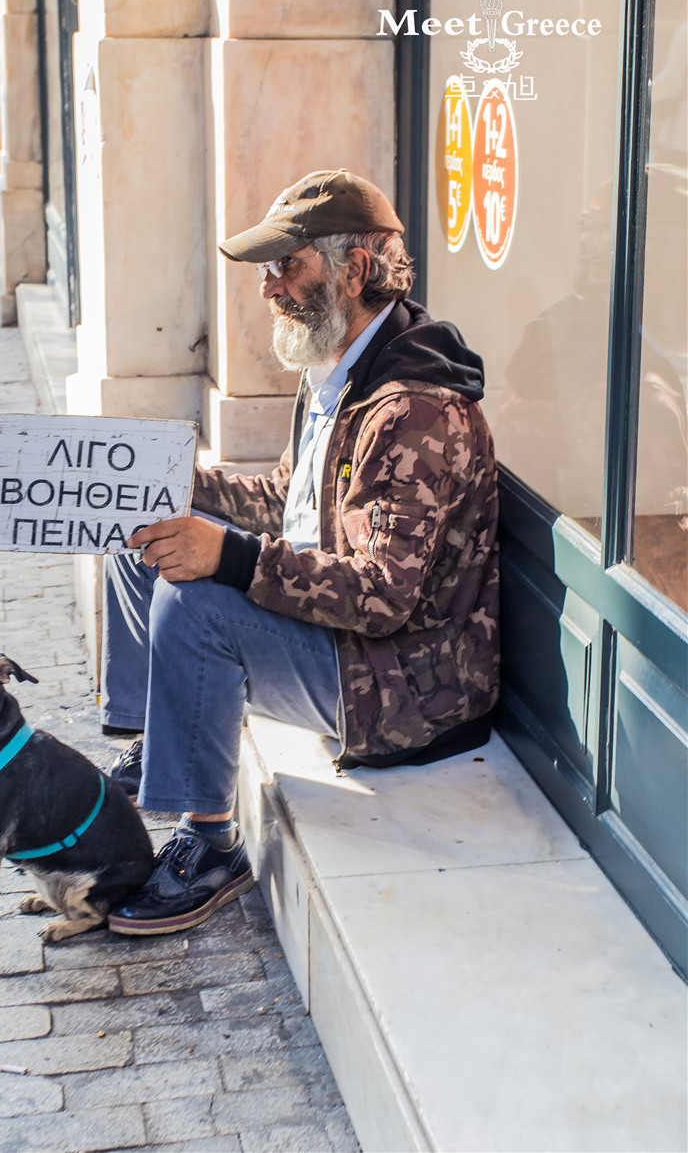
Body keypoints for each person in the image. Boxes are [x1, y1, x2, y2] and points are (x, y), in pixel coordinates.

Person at [102, 169, 501, 936]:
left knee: (194, 597)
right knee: (142, 532)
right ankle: (158, 735)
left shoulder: (412, 408)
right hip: (342, 638)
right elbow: (291, 503)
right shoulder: (337, 368)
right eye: (266, 267)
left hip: (408, 686)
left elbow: (386, 596)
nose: (267, 288)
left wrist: (233, 560)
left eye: (288, 264)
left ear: (355, 268)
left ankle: (211, 844)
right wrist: (183, 488)